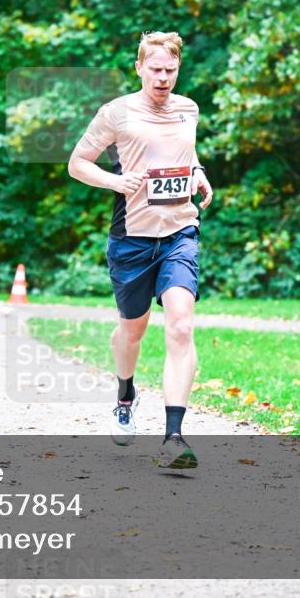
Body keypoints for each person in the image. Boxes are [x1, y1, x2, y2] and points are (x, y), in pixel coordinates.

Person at [67, 31, 214, 469]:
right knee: (133, 330)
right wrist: (115, 181)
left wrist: (199, 171)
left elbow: (184, 152)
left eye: (171, 70)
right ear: (139, 68)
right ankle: (125, 392)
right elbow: (77, 163)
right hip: (131, 238)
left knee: (182, 326)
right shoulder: (116, 113)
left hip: (179, 233)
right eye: (155, 69)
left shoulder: (189, 109)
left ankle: (174, 437)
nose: (163, 78)